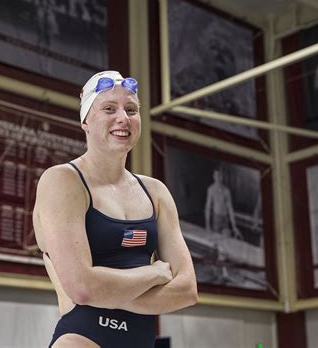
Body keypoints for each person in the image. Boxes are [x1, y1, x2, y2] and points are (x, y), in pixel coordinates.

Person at [32, 70, 198, 348]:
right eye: (109, 108)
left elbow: (187, 290)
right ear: (85, 120)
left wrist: (106, 290)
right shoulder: (62, 181)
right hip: (82, 339)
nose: (123, 117)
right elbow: (83, 288)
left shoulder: (155, 192)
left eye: (131, 109)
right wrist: (152, 274)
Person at [204, 168, 242, 240]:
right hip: (216, 219)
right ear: (214, 176)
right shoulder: (211, 189)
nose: (218, 178)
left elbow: (230, 209)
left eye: (219, 176)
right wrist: (207, 225)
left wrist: (234, 226)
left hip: (225, 218)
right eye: (216, 175)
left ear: (222, 177)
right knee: (217, 240)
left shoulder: (226, 191)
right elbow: (208, 207)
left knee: (226, 239)